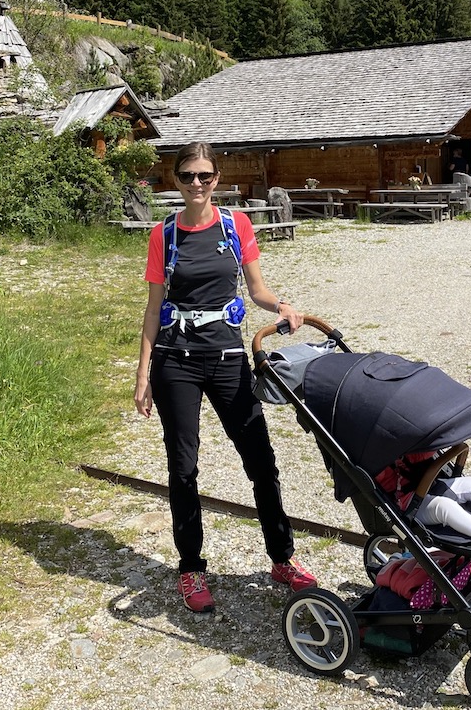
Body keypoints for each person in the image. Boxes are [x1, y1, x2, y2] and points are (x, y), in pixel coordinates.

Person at [134, 142, 316, 613]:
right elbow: (153, 310)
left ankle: (282, 559)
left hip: (227, 356)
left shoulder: (236, 225)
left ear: (217, 178)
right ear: (174, 180)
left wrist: (283, 306)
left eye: (206, 176)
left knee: (260, 459)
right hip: (176, 360)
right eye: (188, 176)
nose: (197, 184)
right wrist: (143, 373)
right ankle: (191, 568)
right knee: (183, 468)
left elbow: (256, 288)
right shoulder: (164, 235)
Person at [374, 450, 471, 551]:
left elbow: (425, 454)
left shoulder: (409, 450)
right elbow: (383, 481)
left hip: (430, 485)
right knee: (444, 507)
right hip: (409, 504)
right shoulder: (380, 465)